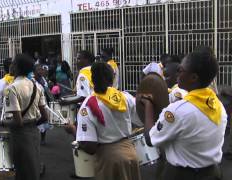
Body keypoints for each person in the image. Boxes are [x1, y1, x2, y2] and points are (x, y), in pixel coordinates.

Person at [140, 47, 227, 180]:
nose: (177, 74)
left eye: (180, 70)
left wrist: (148, 106)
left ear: (193, 77)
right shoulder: (218, 106)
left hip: (183, 175)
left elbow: (150, 139)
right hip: (213, 173)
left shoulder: (178, 111)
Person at [76, 62, 141, 180]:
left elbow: (90, 147)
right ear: (112, 78)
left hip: (109, 161)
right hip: (131, 155)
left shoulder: (87, 105)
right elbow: (141, 119)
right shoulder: (124, 97)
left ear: (92, 80)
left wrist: (72, 131)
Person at [0, 54, 48, 180]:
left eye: (13, 63)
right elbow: (45, 116)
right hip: (34, 132)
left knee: (21, 169)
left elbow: (18, 122)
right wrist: (32, 123)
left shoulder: (11, 89)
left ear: (17, 67)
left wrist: (1, 123)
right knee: (33, 167)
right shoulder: (36, 86)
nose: (10, 66)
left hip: (20, 135)